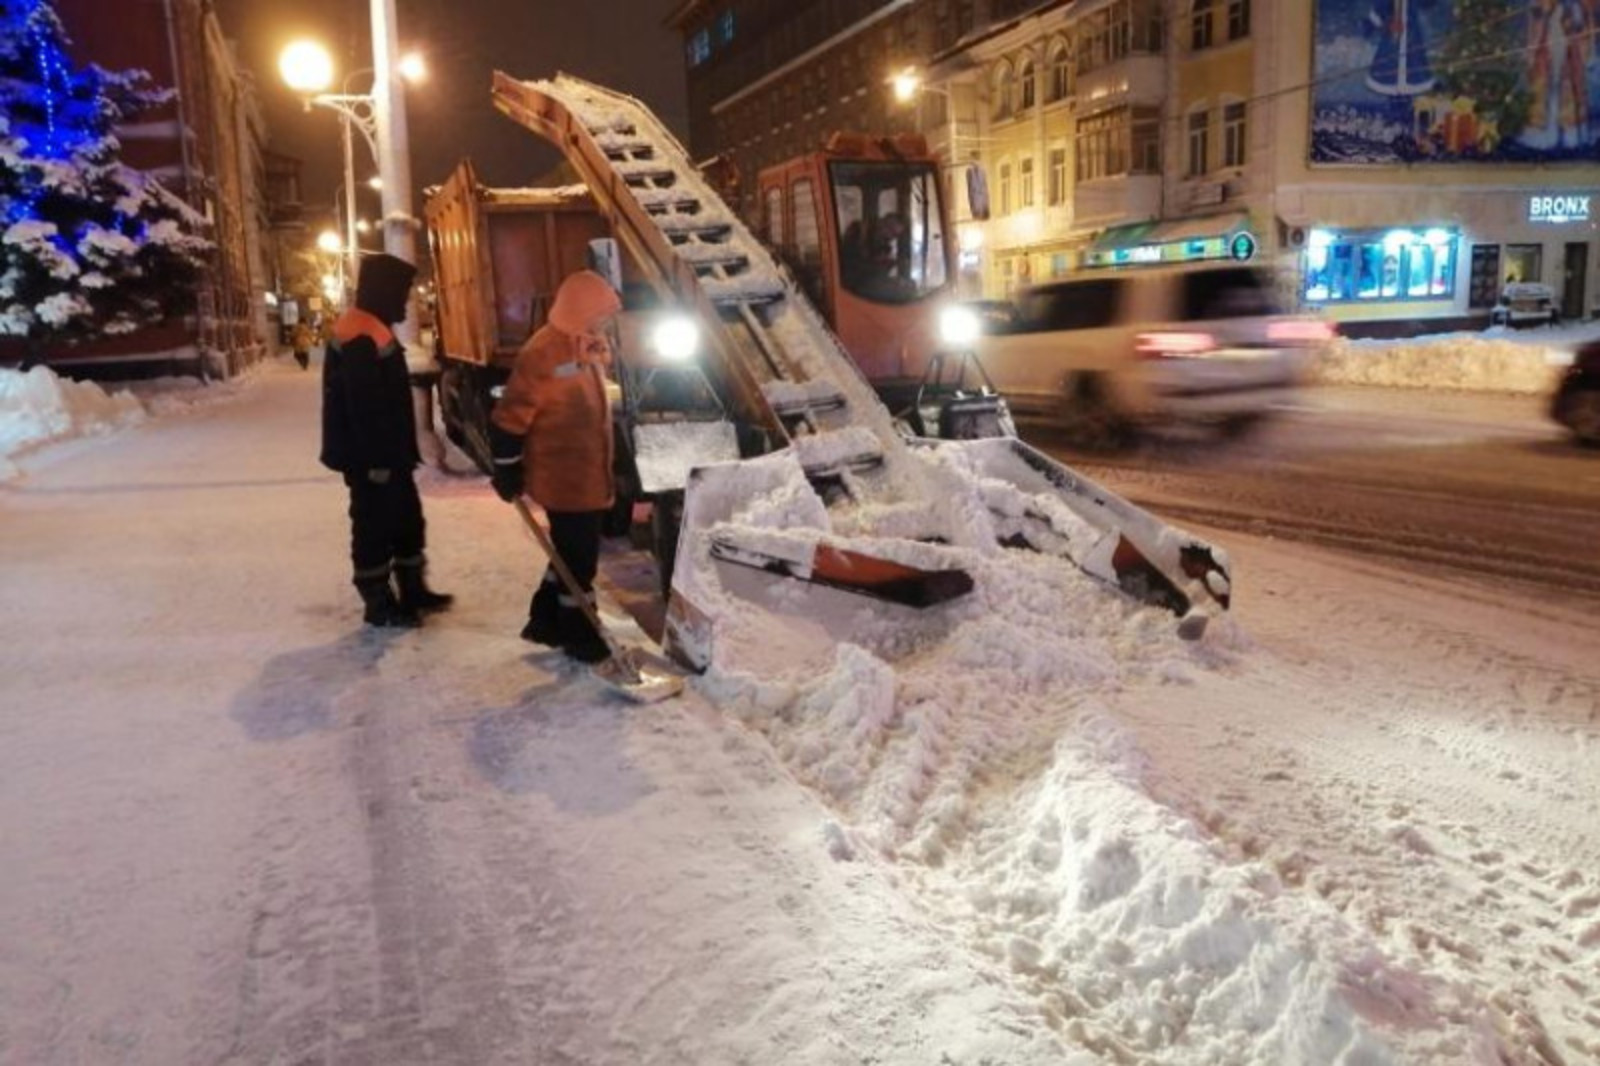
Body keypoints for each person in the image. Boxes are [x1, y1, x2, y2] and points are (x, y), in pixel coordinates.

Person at [488, 269, 622, 664]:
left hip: (589, 472)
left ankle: (544, 620)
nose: (605, 322)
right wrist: (506, 466)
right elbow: (510, 417)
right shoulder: (543, 351)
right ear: (579, 310)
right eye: (600, 313)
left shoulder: (588, 345)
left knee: (567, 554)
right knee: (580, 562)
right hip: (563, 478)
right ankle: (580, 634)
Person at [320, 253, 453, 628]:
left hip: (389, 454)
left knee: (407, 519)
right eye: (403, 291)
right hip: (371, 459)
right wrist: (377, 461)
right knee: (374, 525)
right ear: (384, 290)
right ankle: (378, 602)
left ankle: (413, 590)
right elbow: (363, 406)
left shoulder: (372, 325)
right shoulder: (359, 332)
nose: (406, 300)